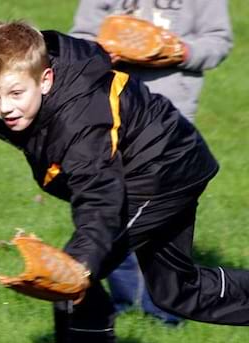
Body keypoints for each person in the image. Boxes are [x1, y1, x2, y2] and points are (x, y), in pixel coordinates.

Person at [0, 20, 249, 343]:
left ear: (45, 79)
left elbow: (100, 193)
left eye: (16, 93)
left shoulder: (77, 121)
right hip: (172, 161)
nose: (6, 107)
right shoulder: (45, 90)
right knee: (177, 291)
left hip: (158, 174)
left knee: (69, 283)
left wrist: (82, 262)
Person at [69, 0, 233, 326]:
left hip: (172, 118)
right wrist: (100, 52)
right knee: (117, 208)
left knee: (166, 214)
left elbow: (219, 40)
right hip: (114, 112)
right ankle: (125, 298)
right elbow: (80, 38)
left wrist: (182, 51)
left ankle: (167, 309)